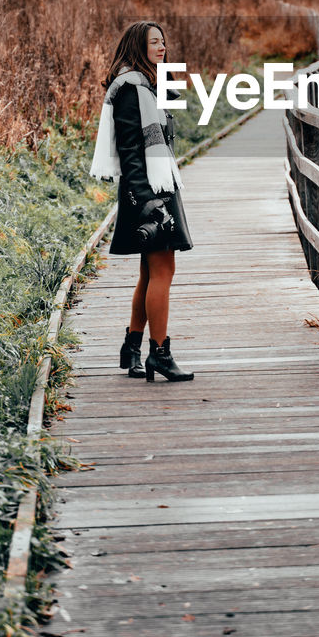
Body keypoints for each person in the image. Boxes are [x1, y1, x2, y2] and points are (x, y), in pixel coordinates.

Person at [90, 21, 194, 383]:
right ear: (138, 46)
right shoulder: (133, 88)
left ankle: (133, 347)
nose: (162, 47)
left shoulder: (143, 85)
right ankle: (159, 354)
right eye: (154, 42)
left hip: (154, 184)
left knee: (151, 272)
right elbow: (130, 149)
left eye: (164, 41)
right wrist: (148, 200)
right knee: (163, 271)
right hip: (149, 189)